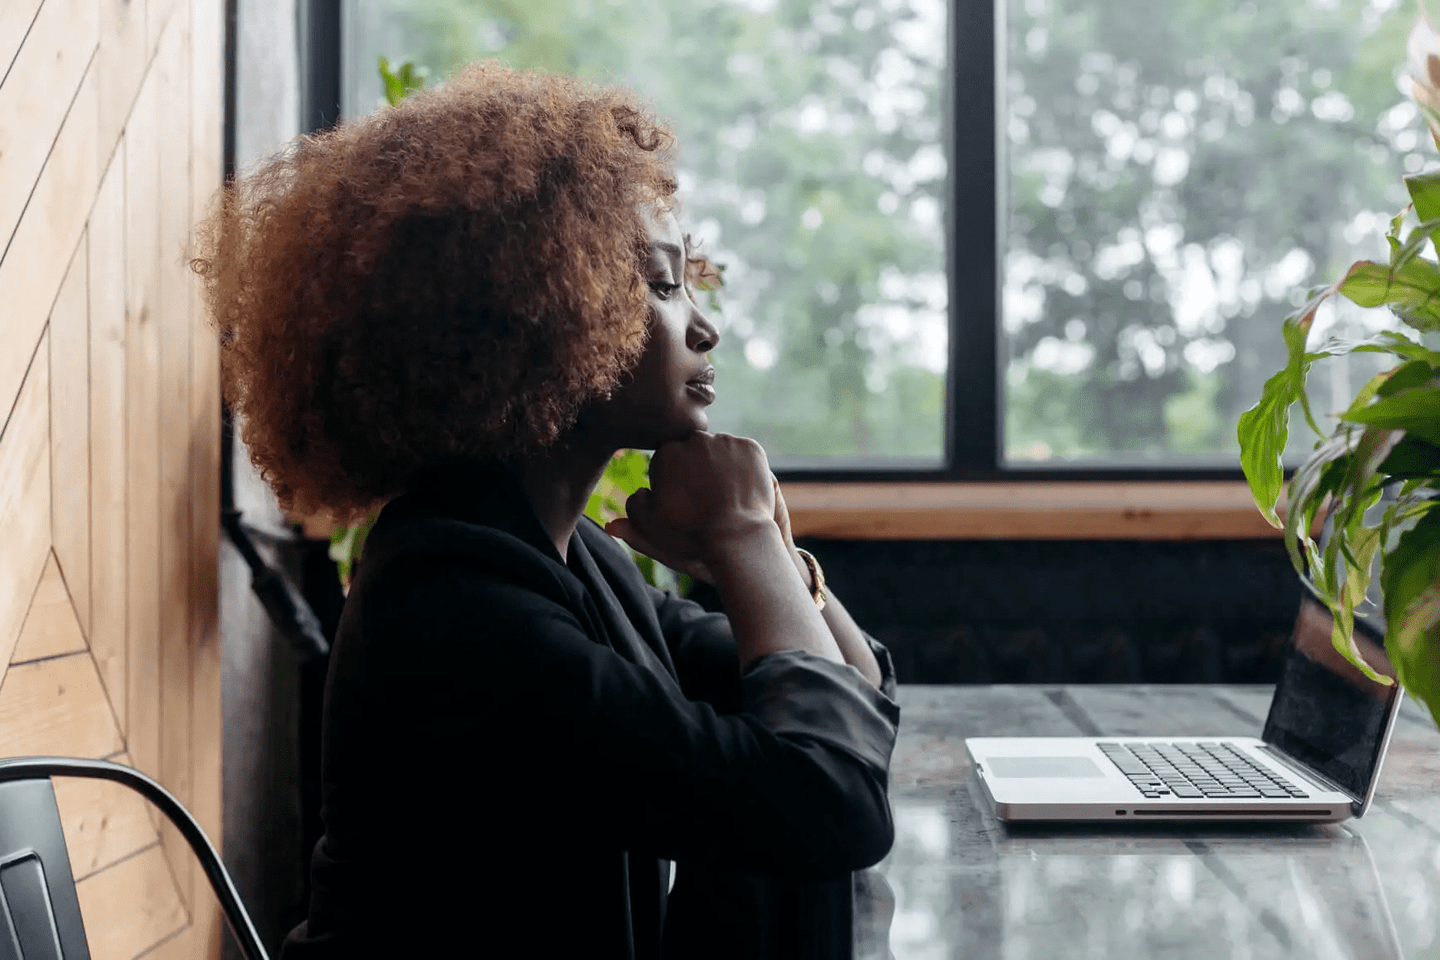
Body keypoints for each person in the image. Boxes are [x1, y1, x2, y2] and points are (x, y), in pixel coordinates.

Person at [194, 59, 900, 959]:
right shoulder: (454, 602)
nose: (703, 326)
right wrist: (742, 533)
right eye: (661, 283)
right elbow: (828, 802)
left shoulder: (570, 561)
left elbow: (853, 702)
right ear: (538, 315)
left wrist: (773, 559)